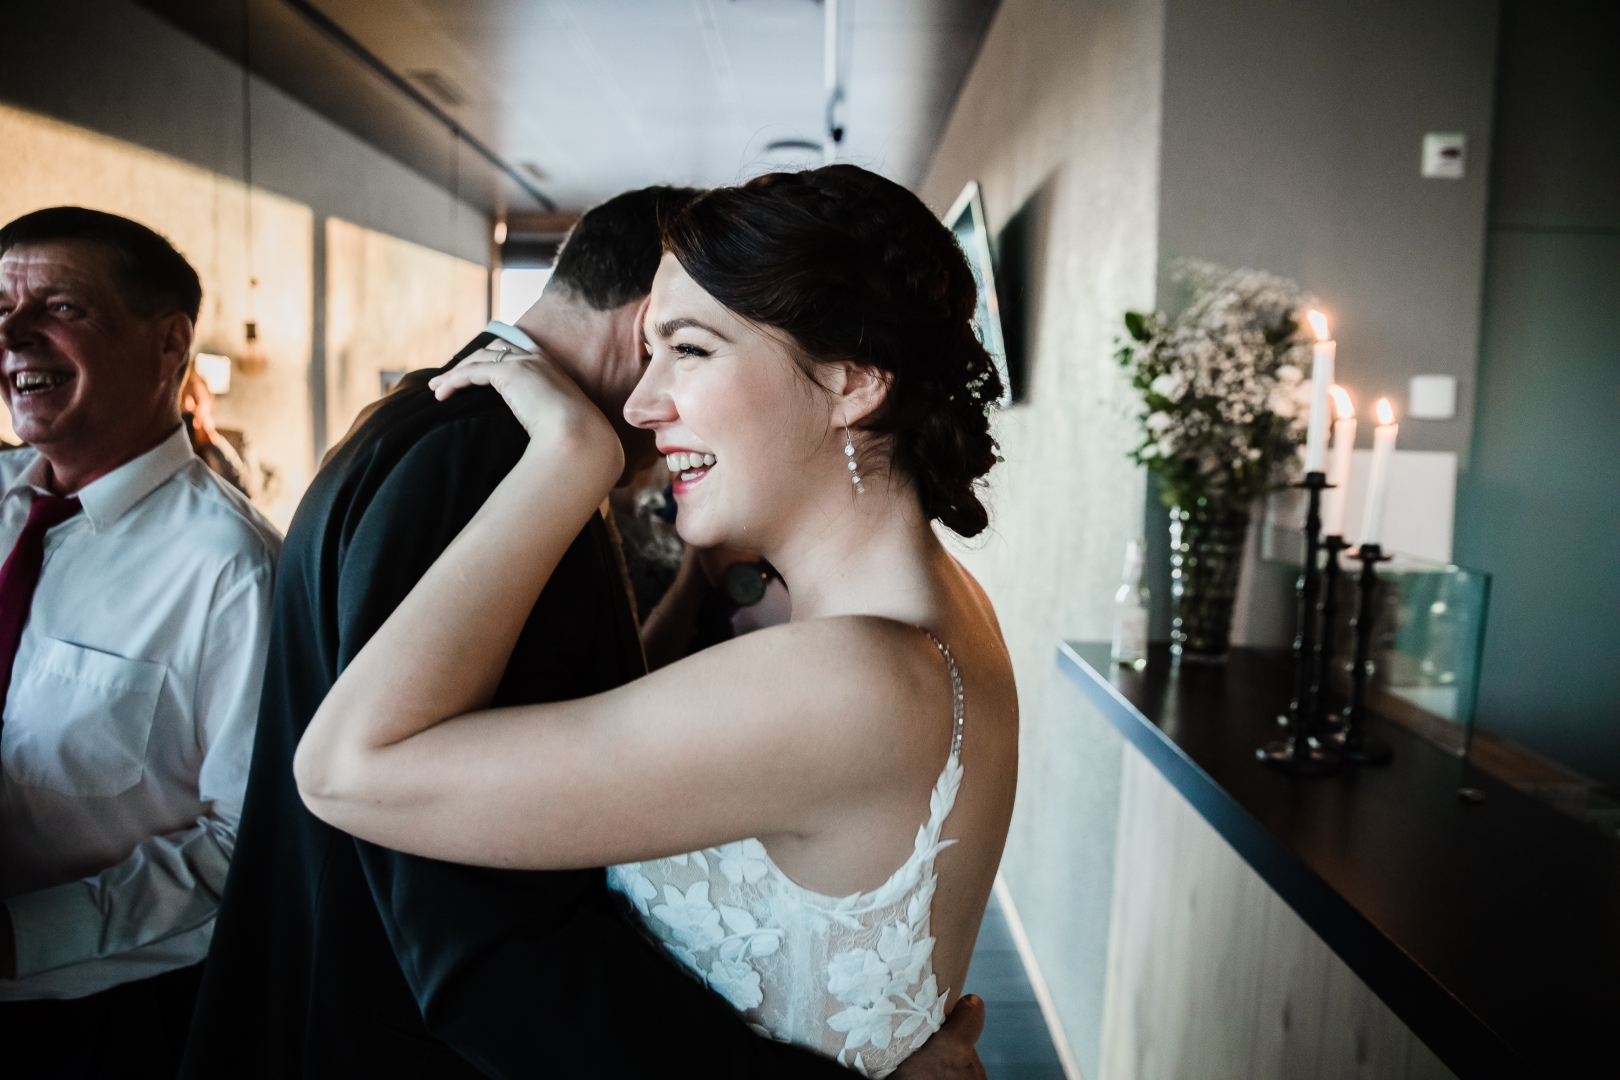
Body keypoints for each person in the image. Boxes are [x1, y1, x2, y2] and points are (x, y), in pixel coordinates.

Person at [185, 184, 986, 1080]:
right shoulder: (946, 610)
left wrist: (572, 457)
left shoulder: (847, 672)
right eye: (651, 349)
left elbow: (346, 769)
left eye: (688, 349)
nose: (641, 403)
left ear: (851, 381)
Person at [0, 207, 280, 1078]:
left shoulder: (234, 570)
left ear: (169, 345)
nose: (12, 334)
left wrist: (19, 937)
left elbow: (247, 848)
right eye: (2, 310)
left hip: (99, 1022)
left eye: (61, 308)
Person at [179, 366, 255, 499]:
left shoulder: (238, 439)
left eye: (196, 398)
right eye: (181, 399)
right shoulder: (172, 443)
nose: (188, 406)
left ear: (210, 399)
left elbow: (250, 493)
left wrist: (215, 443)